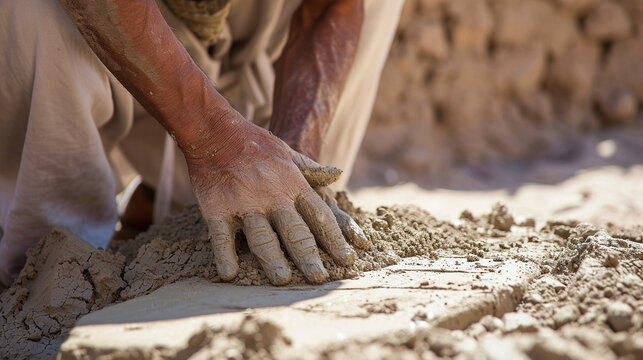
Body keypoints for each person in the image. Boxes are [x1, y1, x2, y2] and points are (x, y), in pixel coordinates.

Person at [0, 0, 403, 287]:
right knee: (32, 7)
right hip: (116, 31)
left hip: (251, 34)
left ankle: (185, 208)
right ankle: (54, 265)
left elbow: (331, 7)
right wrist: (218, 144)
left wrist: (293, 161)